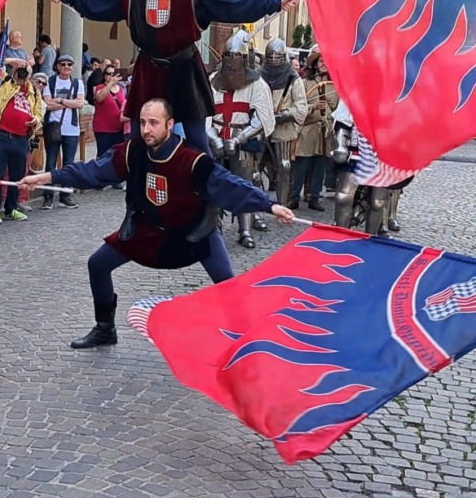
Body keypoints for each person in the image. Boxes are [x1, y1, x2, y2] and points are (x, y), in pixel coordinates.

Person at [17, 99, 295, 348]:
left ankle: (247, 342)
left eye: (153, 123)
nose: (146, 129)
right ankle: (105, 329)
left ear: (170, 125)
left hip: (193, 233)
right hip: (147, 231)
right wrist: (46, 178)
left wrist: (268, 205)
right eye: (143, 122)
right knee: (97, 265)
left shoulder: (192, 160)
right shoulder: (133, 151)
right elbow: (93, 171)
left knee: (227, 284)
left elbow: (228, 184)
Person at [42, 0, 299, 154]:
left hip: (184, 67)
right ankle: (137, 189)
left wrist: (275, 1)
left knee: (197, 142)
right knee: (138, 141)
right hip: (148, 69)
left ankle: (202, 189)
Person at [206, 30, 274, 248]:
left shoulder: (257, 84)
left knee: (244, 184)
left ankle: (245, 230)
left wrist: (238, 138)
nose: (232, 61)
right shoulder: (212, 81)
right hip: (215, 139)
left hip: (242, 142)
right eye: (229, 56)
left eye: (237, 56)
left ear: (245, 58)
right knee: (213, 183)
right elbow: (203, 113)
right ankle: (213, 226)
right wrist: (214, 138)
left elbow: (262, 117)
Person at [0, 64, 43, 224]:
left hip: (21, 139)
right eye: (20, 72)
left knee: (17, 175)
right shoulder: (5, 82)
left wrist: (36, 120)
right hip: (1, 136)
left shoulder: (34, 92)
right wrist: (16, 62)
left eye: (25, 73)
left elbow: (39, 113)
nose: (22, 75)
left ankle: (11, 208)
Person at [258, 38, 308, 214]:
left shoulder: (293, 78)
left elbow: (301, 106)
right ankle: (256, 207)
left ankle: (283, 205)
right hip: (260, 128)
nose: (273, 61)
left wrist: (283, 116)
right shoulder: (258, 76)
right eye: (270, 58)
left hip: (282, 128)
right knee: (255, 168)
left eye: (277, 57)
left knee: (284, 166)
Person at [291, 51, 338, 211]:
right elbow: (299, 105)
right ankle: (294, 197)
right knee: (301, 167)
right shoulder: (305, 83)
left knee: (320, 168)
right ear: (315, 64)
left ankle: (314, 197)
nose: (323, 64)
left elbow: (339, 109)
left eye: (326, 61)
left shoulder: (335, 86)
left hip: (325, 133)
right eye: (320, 61)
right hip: (308, 130)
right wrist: (313, 107)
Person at [41, 54, 85, 209]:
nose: (66, 67)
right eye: (63, 64)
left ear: (72, 67)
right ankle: (48, 195)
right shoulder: (51, 81)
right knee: (50, 164)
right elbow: (47, 105)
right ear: (58, 66)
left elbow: (80, 104)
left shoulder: (77, 83)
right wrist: (70, 103)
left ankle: (65, 195)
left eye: (69, 64)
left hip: (71, 129)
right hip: (53, 127)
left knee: (68, 164)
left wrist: (59, 100)